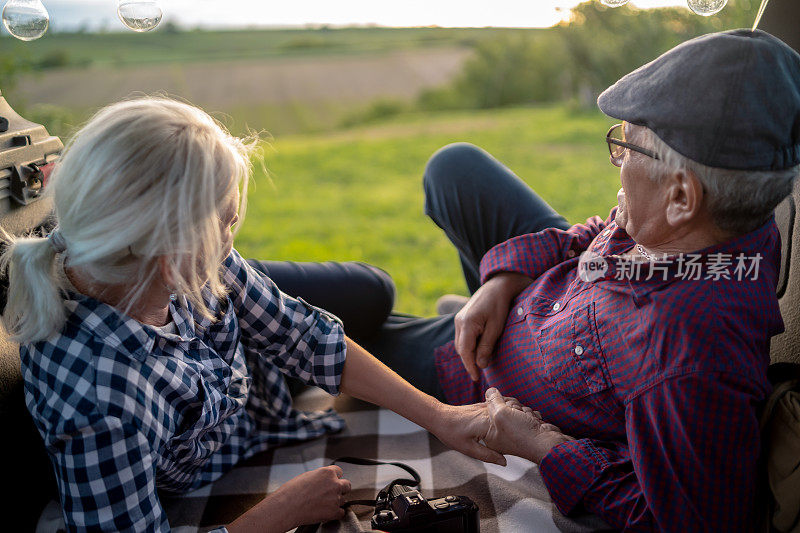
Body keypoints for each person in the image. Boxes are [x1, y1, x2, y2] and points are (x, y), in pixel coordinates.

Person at [361, 29, 800, 531]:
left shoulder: (682, 356)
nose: (618, 167)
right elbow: (602, 229)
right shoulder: (720, 219)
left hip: (485, 369)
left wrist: (541, 446)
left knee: (356, 323)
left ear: (681, 197)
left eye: (628, 148)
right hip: (556, 294)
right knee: (454, 168)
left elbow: (686, 521)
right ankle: (472, 298)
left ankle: (255, 293)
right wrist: (505, 278)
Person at [0, 98, 507, 532]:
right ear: (170, 252)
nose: (233, 236)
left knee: (374, 290)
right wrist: (277, 513)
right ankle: (460, 318)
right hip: (242, 408)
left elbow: (303, 337)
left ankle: (458, 315)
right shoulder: (99, 404)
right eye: (227, 221)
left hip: (247, 388)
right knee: (383, 312)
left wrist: (440, 417)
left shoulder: (170, 264)